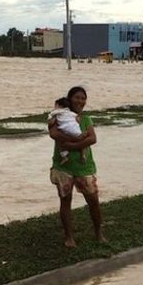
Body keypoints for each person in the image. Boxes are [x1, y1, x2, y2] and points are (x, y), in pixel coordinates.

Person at [48, 86, 106, 248]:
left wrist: (71, 145)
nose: (80, 101)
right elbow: (53, 134)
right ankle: (69, 237)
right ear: (69, 99)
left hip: (84, 167)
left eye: (83, 98)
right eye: (77, 98)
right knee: (65, 201)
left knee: (93, 200)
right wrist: (79, 141)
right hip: (63, 166)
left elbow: (93, 139)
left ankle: (99, 232)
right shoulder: (59, 116)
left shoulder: (86, 119)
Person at [47, 97, 89, 165]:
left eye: (55, 105)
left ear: (59, 105)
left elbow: (51, 123)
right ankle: (83, 154)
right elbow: (77, 119)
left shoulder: (56, 112)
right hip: (75, 130)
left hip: (65, 130)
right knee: (82, 141)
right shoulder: (70, 112)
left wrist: (51, 119)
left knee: (61, 143)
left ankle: (64, 156)